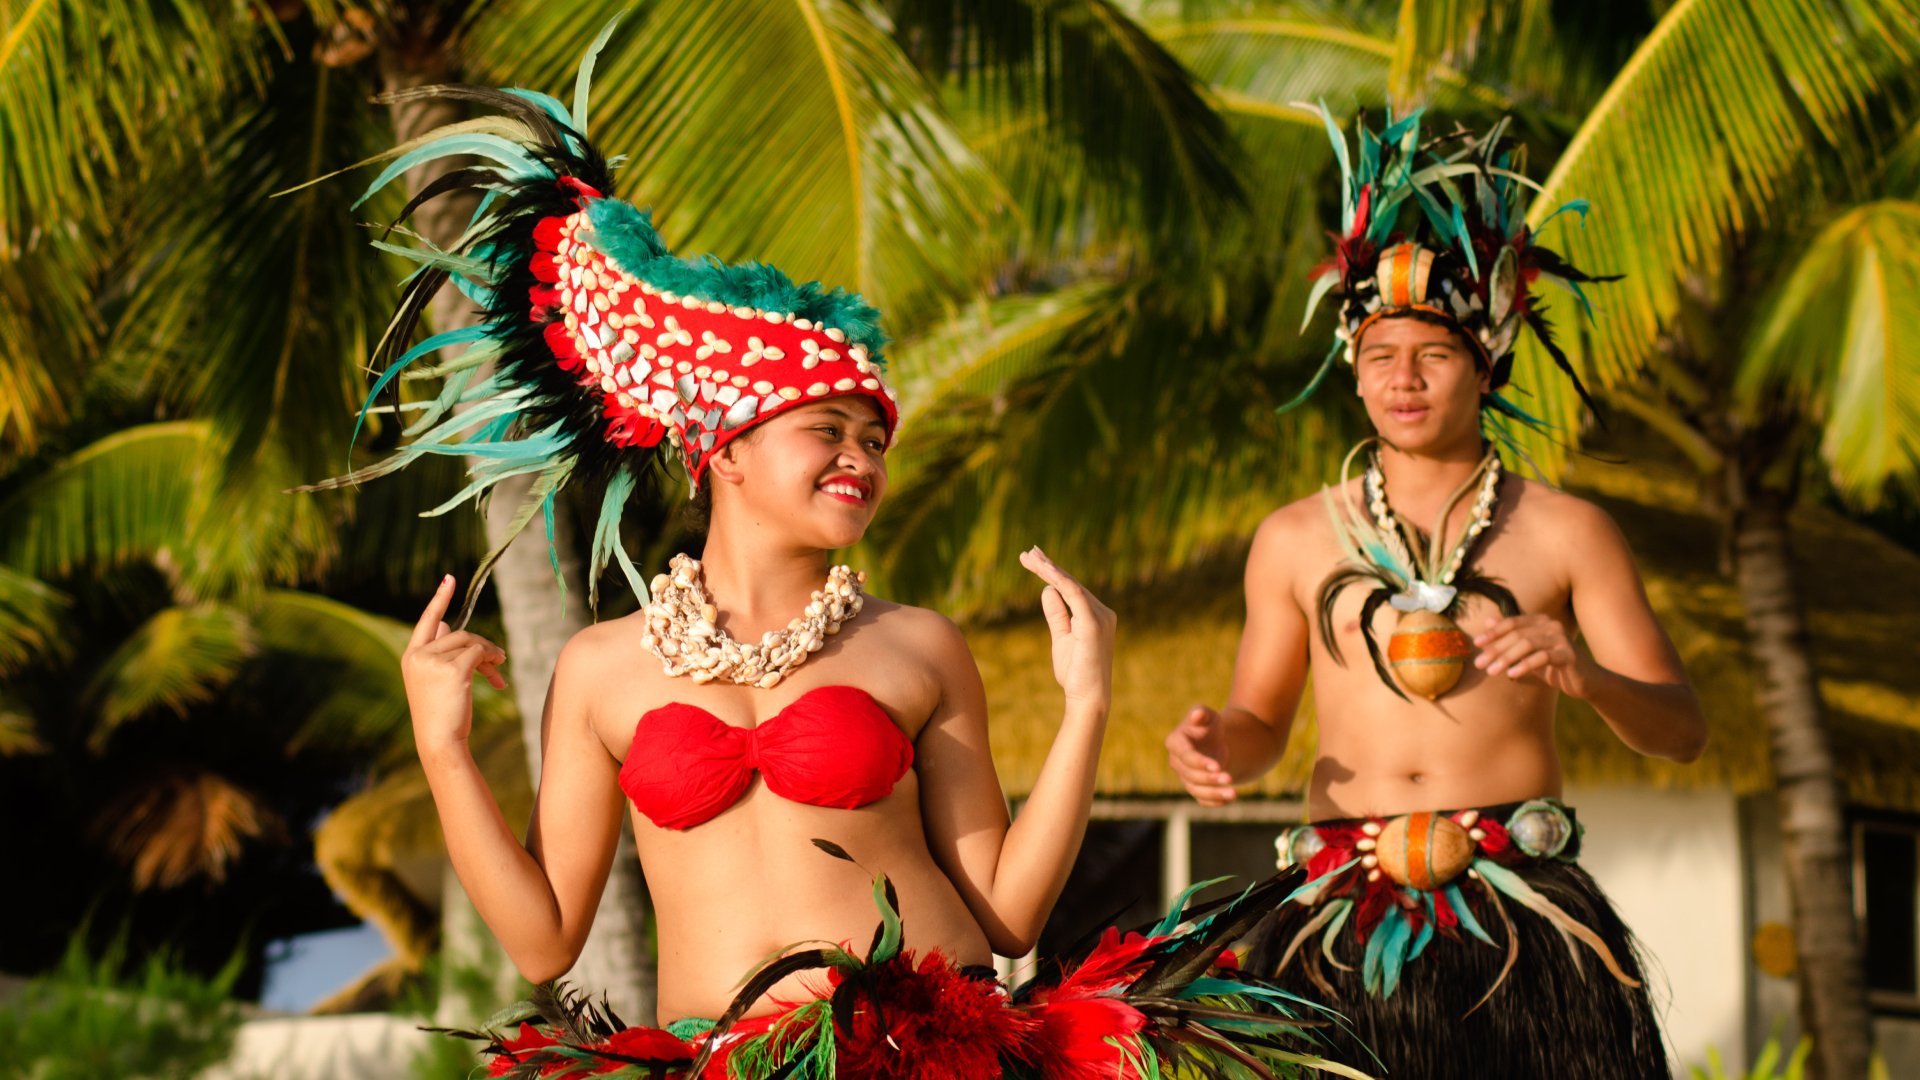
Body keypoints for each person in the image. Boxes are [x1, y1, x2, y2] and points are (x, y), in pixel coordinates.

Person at [314, 22, 1354, 1079]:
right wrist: (443, 747)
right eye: (827, 431)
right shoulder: (600, 669)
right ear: (724, 450)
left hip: (926, 1056)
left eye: (873, 438)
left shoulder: (914, 647)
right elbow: (544, 939)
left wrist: (1085, 703)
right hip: (716, 1058)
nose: (861, 458)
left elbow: (1004, 914)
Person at [1163, 108, 1709, 1079]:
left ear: (1486, 362)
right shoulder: (1293, 537)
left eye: (1435, 355)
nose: (1402, 379)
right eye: (1379, 357)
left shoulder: (1568, 529)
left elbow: (1681, 728)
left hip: (1521, 917)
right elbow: (1262, 723)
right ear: (1352, 370)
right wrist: (1216, 743)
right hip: (1339, 912)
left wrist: (1586, 676)